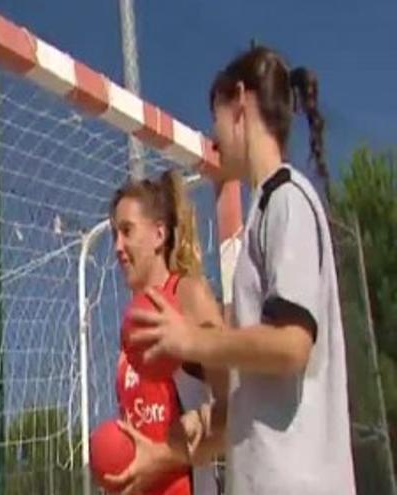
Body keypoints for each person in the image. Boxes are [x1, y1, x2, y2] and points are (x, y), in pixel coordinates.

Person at [129, 45, 355, 494]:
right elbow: (271, 379)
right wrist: (213, 416)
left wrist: (193, 339)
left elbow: (292, 345)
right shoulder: (267, 209)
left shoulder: (287, 199)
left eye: (215, 117)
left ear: (239, 102)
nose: (213, 139)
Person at [102, 170, 227, 495]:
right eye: (115, 234)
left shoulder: (188, 295)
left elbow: (237, 406)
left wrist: (165, 456)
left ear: (159, 234)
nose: (117, 246)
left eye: (127, 231)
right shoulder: (132, 324)